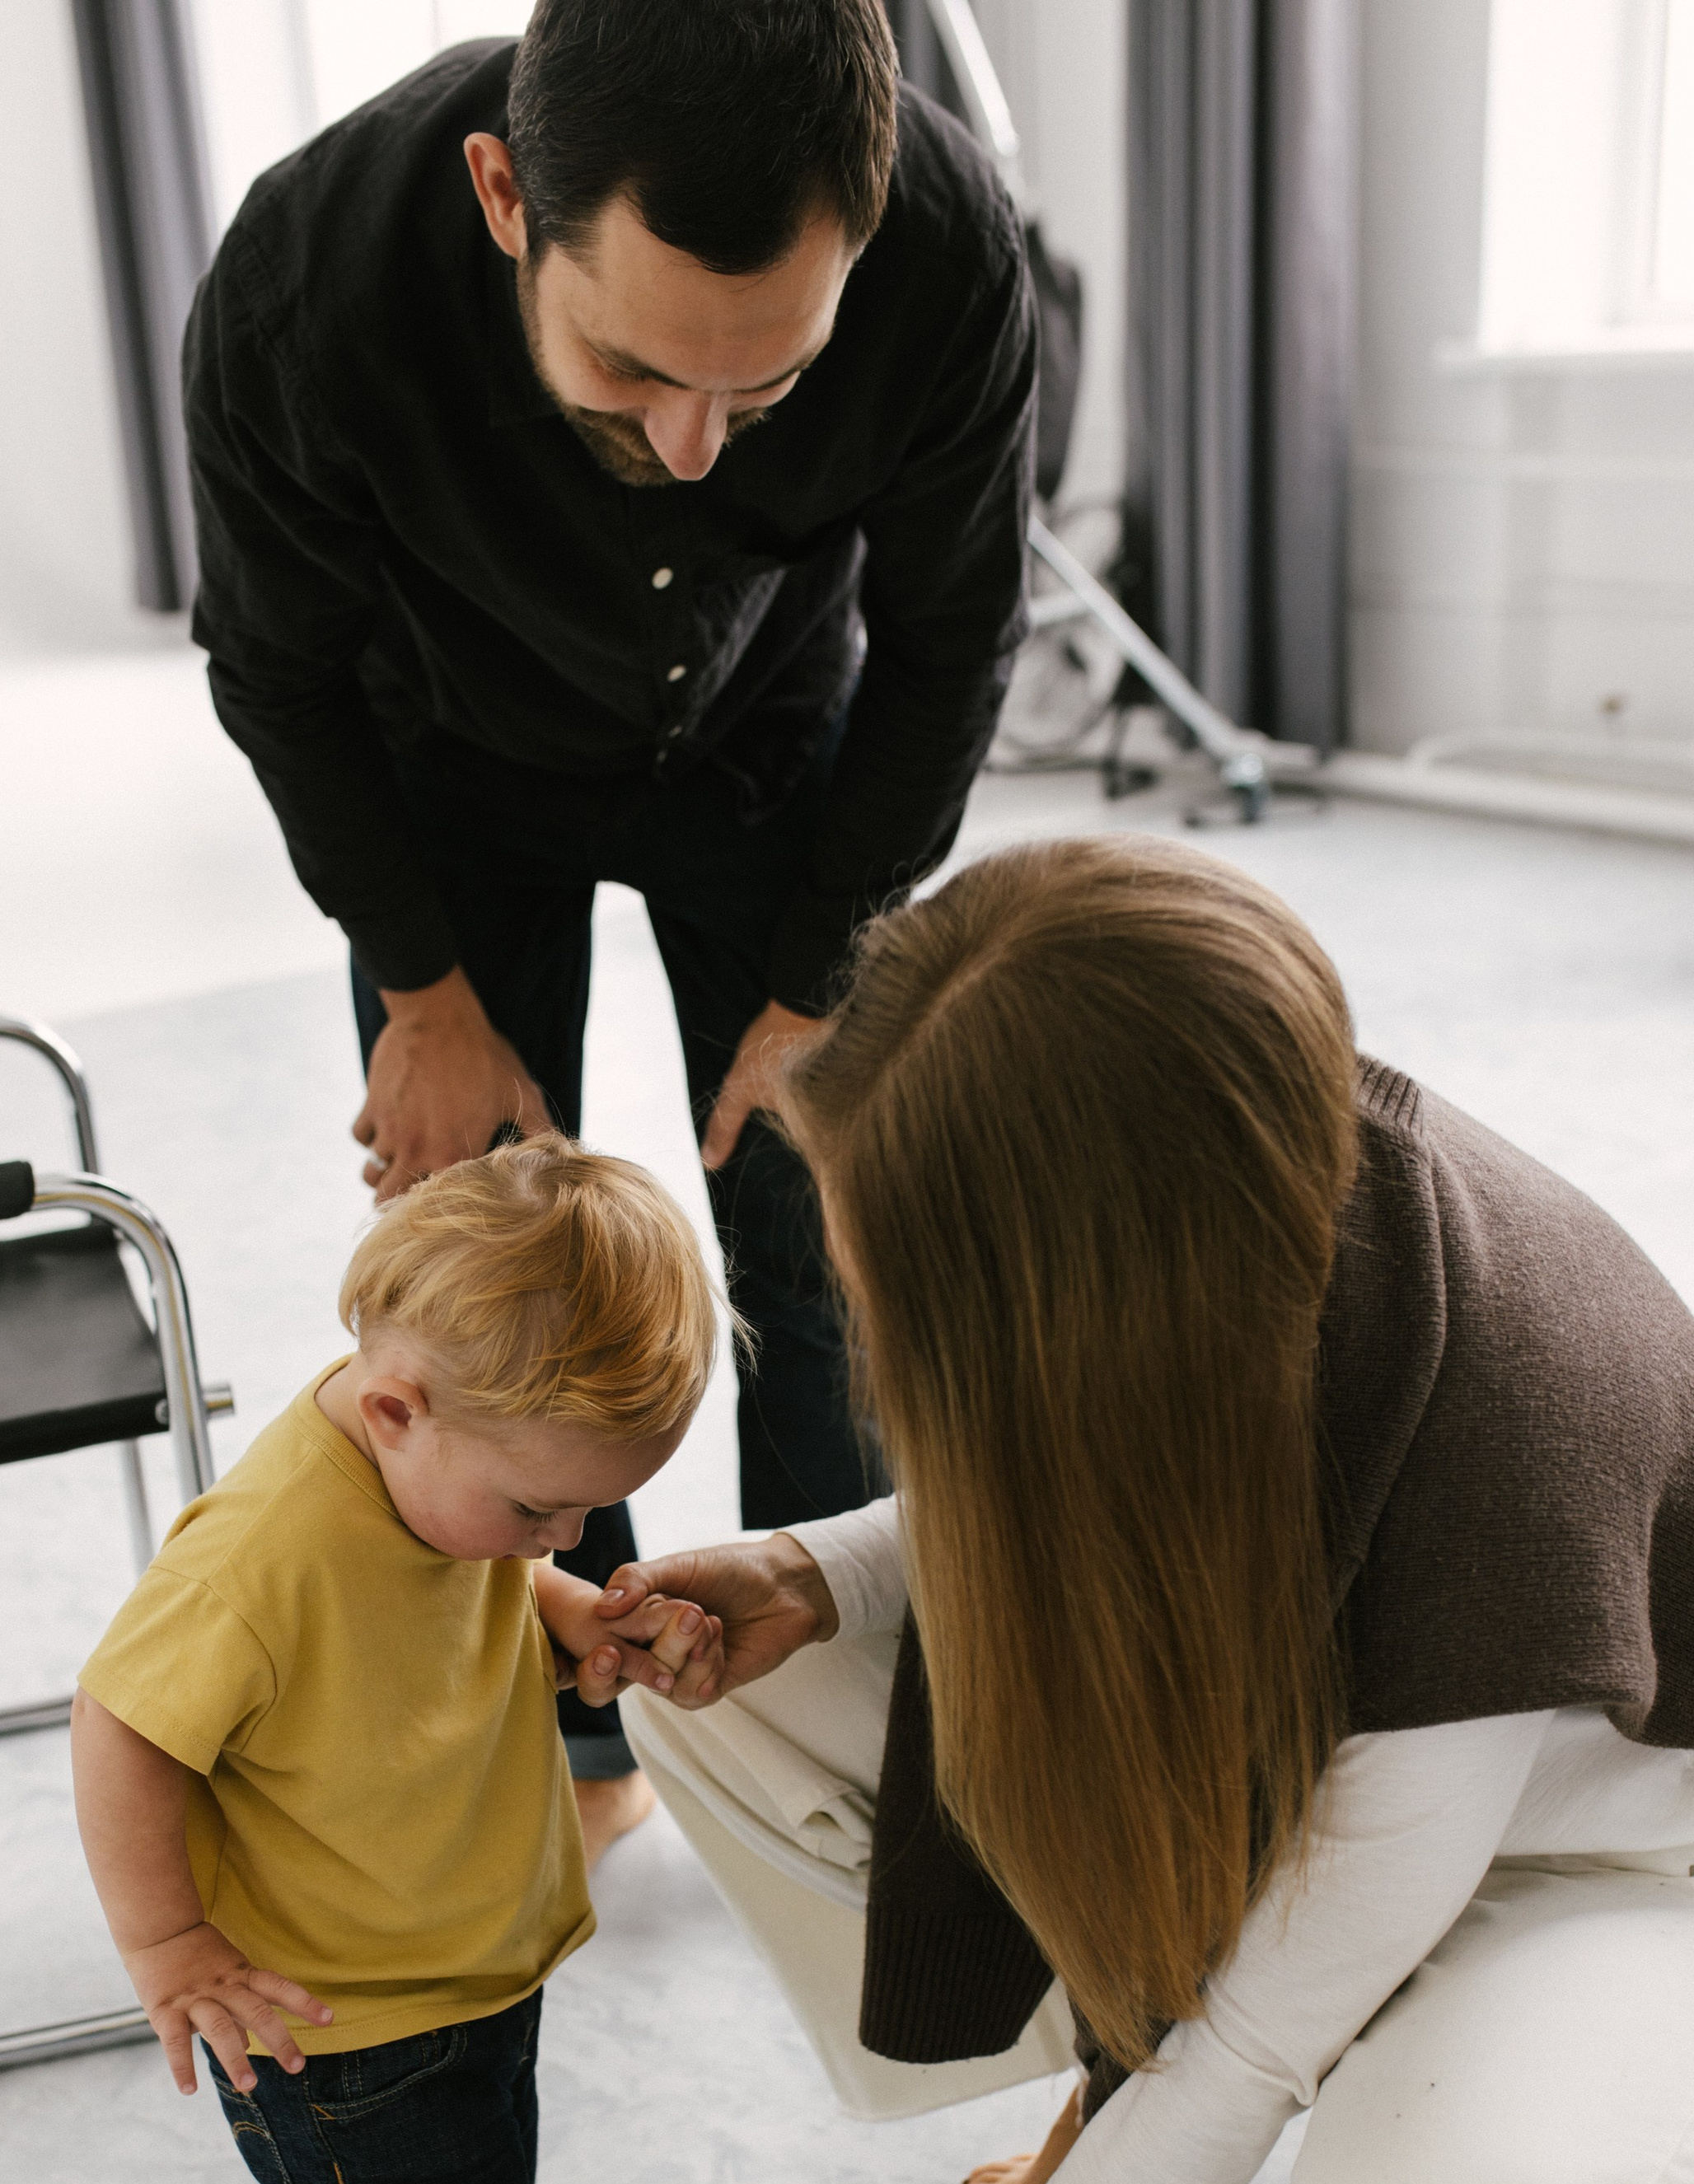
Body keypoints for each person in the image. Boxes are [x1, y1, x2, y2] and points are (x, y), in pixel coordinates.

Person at [576, 836, 1694, 2184]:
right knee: (731, 1673)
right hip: (1371, 1757)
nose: (858, 1312)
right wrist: (814, 1575)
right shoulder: (1231, 1225)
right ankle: (1127, 2105)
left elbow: (1256, 2028)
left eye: (899, 1292)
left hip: (1608, 1861)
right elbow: (1111, 1521)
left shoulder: (1500, 1436)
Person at [181, 0, 1037, 1858]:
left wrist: (824, 984)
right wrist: (416, 985)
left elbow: (955, 637)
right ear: (505, 197)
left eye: (769, 387)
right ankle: (578, 1730)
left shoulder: (955, 252)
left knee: (823, 1246)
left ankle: (825, 1711)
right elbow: (274, 665)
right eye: (633, 372)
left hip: (769, 747)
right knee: (500, 1297)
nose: (698, 444)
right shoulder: (305, 279)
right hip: (444, 767)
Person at [69, 1137, 732, 2184]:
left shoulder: (442, 1466)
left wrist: (570, 1618)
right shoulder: (259, 1561)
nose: (559, 1541)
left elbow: (484, 1580)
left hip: (456, 1965)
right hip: (341, 2020)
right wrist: (169, 1949)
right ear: (390, 1413)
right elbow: (123, 1726)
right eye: (544, 1513)